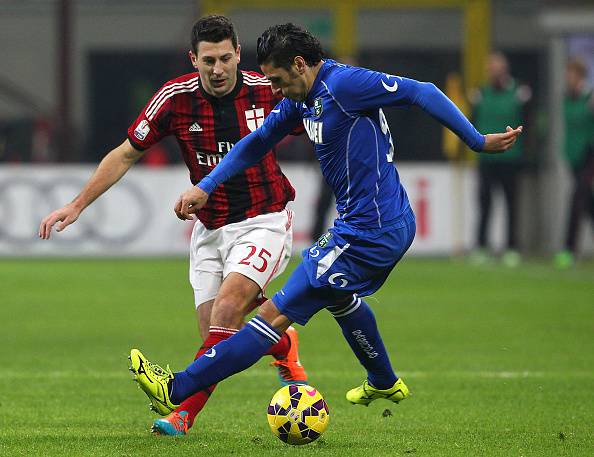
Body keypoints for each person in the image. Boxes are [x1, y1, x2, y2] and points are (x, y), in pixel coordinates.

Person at [129, 23, 522, 419]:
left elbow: (423, 91)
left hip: (371, 231)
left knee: (270, 318)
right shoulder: (302, 97)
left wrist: (476, 141)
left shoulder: (345, 85)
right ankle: (383, 379)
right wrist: (208, 184)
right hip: (370, 224)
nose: (274, 90)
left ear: (300, 64)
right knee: (336, 295)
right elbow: (258, 141)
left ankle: (176, 388)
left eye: (277, 80)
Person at [38, 16, 308, 436]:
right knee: (218, 335)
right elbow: (125, 153)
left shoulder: (266, 89)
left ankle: (181, 413)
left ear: (238, 54)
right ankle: (282, 341)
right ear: (193, 60)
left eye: (225, 58)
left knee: (226, 312)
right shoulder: (174, 99)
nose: (217, 69)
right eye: (208, 61)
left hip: (264, 219)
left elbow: (320, 119)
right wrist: (77, 204)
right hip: (210, 227)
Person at [469, 51, 531, 267]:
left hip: (511, 158)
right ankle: (481, 246)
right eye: (490, 68)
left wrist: (527, 153)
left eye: (496, 67)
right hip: (486, 158)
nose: (492, 72)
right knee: (484, 203)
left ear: (505, 69)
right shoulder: (480, 94)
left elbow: (529, 123)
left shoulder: (519, 92)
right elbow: (471, 123)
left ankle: (512, 247)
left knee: (511, 204)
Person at [554, 57, 594, 269]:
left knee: (577, 199)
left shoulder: (589, 97)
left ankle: (569, 249)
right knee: (588, 202)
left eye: (571, 74)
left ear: (580, 76)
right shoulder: (566, 98)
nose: (568, 78)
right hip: (573, 155)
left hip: (589, 155)